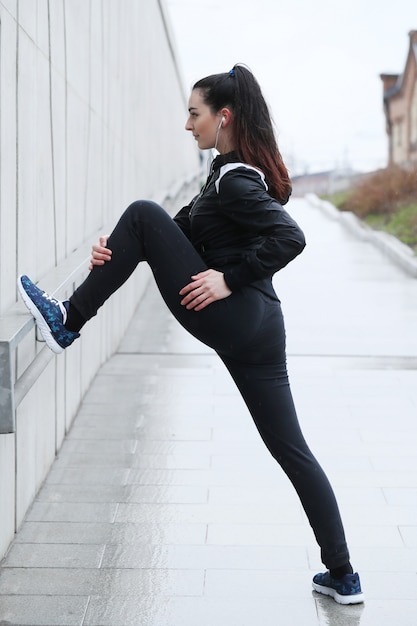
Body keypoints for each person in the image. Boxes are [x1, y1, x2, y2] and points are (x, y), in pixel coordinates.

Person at [18, 64, 364, 605]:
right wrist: (113, 251)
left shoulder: (236, 178)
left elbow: (290, 237)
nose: (187, 124)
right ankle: (343, 574)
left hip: (237, 314)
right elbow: (169, 235)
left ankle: (67, 321)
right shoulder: (222, 174)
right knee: (291, 449)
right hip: (260, 330)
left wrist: (228, 278)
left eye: (194, 114)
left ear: (222, 117)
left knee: (140, 211)